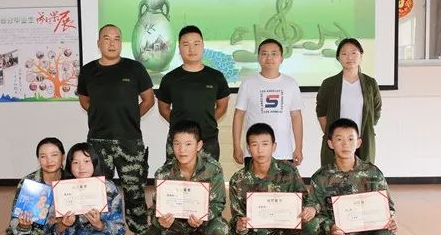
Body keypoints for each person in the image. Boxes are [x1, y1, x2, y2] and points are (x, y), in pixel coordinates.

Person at [76, 24, 155, 235]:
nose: (112, 43)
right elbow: (84, 100)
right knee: (99, 193)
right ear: (99, 43)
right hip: (98, 141)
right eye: (107, 38)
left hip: (130, 141)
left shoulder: (134, 68)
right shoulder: (88, 70)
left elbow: (149, 100)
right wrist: (100, 114)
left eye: (116, 39)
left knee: (135, 192)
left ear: (121, 43)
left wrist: (130, 116)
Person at [138, 120, 237, 235]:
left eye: (188, 144)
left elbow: (218, 203)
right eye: (177, 144)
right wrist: (160, 221)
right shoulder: (163, 172)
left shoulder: (212, 169)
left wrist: (203, 217)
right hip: (174, 225)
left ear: (199, 145)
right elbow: (155, 208)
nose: (182, 150)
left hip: (202, 224)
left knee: (221, 229)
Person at [303, 118, 398, 235]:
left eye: (350, 139)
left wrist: (389, 218)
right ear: (330, 144)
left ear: (359, 142)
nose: (345, 144)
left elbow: (388, 206)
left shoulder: (372, 173)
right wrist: (330, 227)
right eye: (339, 139)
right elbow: (316, 211)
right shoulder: (321, 177)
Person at [224, 123, 315, 235]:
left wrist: (311, 208)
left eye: (265, 144)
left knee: (313, 224)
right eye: (254, 144)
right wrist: (240, 224)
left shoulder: (288, 170)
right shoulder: (238, 180)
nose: (260, 150)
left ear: (274, 146)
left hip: (281, 232)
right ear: (248, 148)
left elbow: (306, 199)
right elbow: (236, 217)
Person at [156, 25, 230, 160]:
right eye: (186, 44)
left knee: (209, 174)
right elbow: (163, 108)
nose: (192, 49)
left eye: (196, 44)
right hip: (179, 142)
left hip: (208, 140)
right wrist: (179, 124)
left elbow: (222, 107)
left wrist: (207, 121)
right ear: (179, 48)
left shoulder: (216, 77)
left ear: (203, 46)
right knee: (175, 174)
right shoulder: (170, 78)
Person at [232, 38, 304, 168]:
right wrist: (236, 146)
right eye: (264, 53)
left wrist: (298, 148)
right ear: (258, 57)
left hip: (283, 152)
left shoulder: (291, 84)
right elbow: (238, 115)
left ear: (281, 58)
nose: (269, 58)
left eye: (274, 54)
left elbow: (296, 116)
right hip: (254, 152)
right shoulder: (248, 83)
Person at [2, 137, 68, 235]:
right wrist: (23, 226)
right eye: (43, 156)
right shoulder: (28, 183)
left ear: (63, 157)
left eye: (54, 155)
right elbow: (14, 219)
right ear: (38, 159)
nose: (49, 160)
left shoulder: (70, 181)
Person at [316, 38, 381, 166]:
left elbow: (376, 111)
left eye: (353, 53)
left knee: (363, 175)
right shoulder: (329, 84)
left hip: (363, 140)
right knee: (333, 174)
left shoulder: (370, 83)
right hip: (338, 142)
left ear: (361, 55)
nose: (349, 57)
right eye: (344, 53)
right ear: (338, 58)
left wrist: (364, 130)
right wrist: (333, 135)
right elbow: (321, 112)